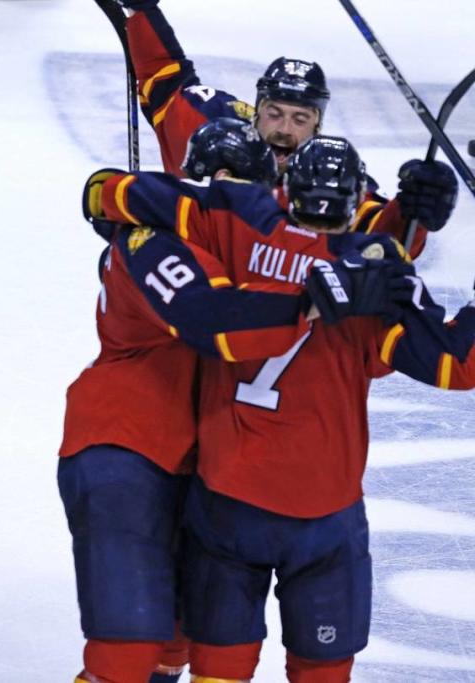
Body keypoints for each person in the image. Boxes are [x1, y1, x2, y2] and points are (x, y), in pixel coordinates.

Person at [93, 134, 475, 682]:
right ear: (355, 204)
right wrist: (400, 222)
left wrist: (105, 207)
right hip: (323, 513)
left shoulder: (236, 232)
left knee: (216, 670)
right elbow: (456, 365)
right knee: (321, 670)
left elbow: (114, 194)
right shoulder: (377, 264)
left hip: (223, 500)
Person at [111, 0, 459, 257]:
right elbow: (165, 77)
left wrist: (415, 211)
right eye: (274, 114)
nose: (284, 130)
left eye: (300, 119)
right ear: (256, 112)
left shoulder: (330, 175)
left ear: (318, 126)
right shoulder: (212, 129)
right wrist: (141, 11)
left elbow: (383, 238)